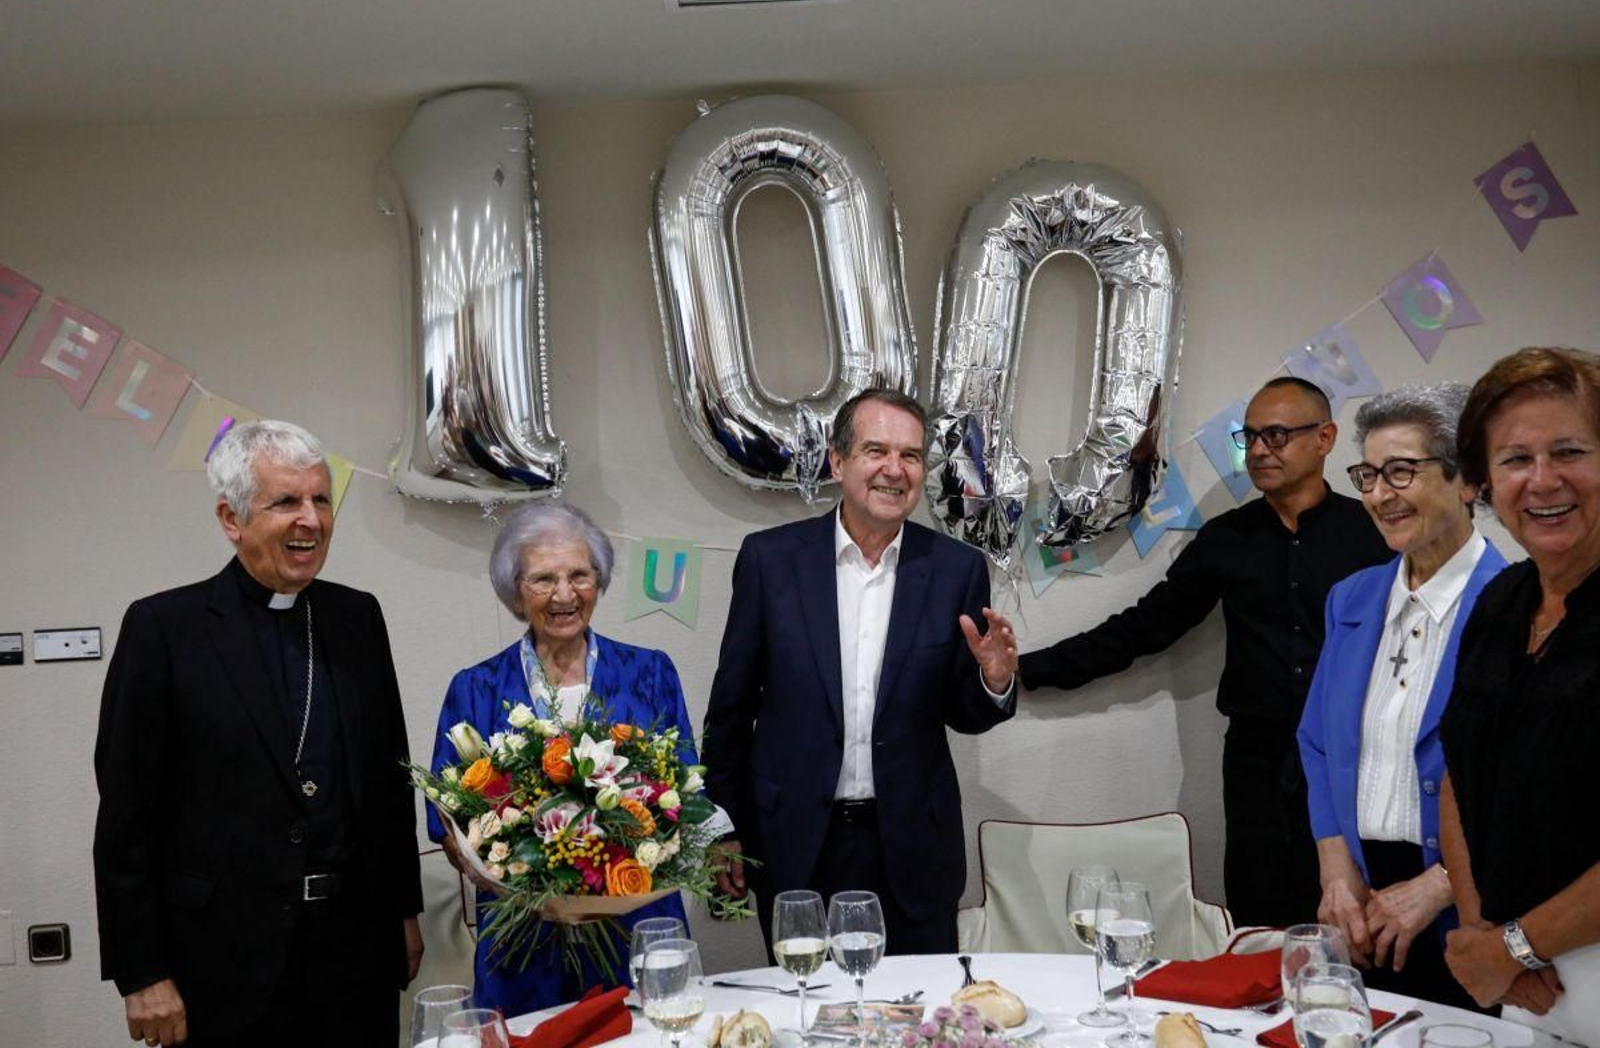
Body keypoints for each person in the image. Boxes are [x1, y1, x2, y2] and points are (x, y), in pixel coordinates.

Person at [93, 421, 424, 1048]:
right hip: (220, 966)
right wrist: (142, 973)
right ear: (231, 518)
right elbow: (126, 819)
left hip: (354, 955)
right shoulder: (165, 629)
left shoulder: (357, 617)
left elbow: (389, 779)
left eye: (321, 499)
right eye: (286, 502)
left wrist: (402, 912)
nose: (312, 520)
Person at [1019, 377, 1391, 927]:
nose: (1260, 450)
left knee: (1360, 919)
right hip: (1257, 763)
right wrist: (1025, 670)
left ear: (1326, 438)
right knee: (1259, 917)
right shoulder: (1227, 538)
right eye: (1252, 437)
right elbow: (1145, 626)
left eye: (1279, 435)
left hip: (1356, 759)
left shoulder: (1376, 536)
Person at [702, 387, 1019, 954]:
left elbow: (960, 713)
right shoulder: (770, 561)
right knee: (807, 1026)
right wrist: (720, 825)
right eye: (876, 451)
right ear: (838, 460)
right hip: (796, 845)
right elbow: (730, 711)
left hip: (912, 849)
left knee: (918, 1028)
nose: (894, 471)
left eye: (912, 456)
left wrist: (992, 681)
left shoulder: (956, 570)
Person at [426, 500, 722, 1016]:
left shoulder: (649, 673)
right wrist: (511, 873)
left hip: (638, 927)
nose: (565, 594)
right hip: (523, 941)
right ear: (515, 590)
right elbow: (446, 821)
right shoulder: (474, 689)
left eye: (579, 575)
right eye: (543, 579)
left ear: (599, 580)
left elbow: (686, 796)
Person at [1297, 383, 1503, 1009]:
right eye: (1368, 476)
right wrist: (1336, 869)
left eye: (1402, 472)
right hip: (1359, 903)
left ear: (1466, 481)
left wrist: (1439, 885)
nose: (1380, 494)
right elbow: (1317, 742)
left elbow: (1532, 789)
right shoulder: (1352, 598)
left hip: (1470, 904)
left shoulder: (1514, 604)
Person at [1440, 347, 1600, 1040]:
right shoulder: (1502, 600)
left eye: (1569, 450)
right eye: (1514, 459)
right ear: (1483, 481)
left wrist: (1513, 945)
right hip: (1527, 980)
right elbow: (1462, 769)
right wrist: (1482, 934)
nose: (1543, 480)